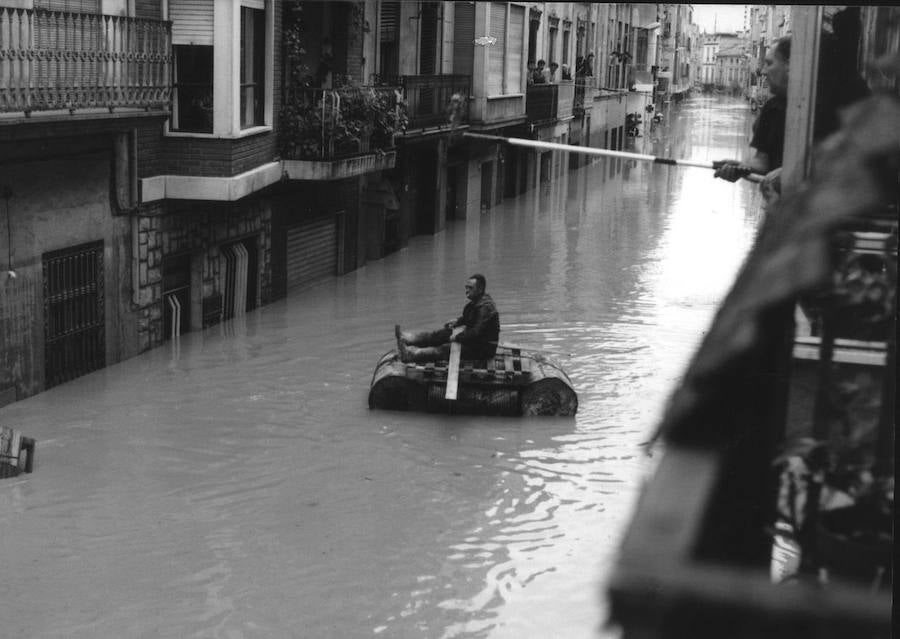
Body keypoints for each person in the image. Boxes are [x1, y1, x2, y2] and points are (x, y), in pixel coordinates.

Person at [714, 36, 790, 183]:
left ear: (789, 64)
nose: (763, 71)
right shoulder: (771, 109)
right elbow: (762, 163)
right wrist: (740, 167)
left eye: (769, 64)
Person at [395, 274, 500, 364]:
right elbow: (471, 319)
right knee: (441, 334)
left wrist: (457, 337)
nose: (467, 291)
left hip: (483, 349)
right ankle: (408, 339)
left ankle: (411, 355)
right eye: (466, 287)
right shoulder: (478, 302)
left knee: (445, 349)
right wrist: (458, 321)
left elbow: (476, 331)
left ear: (480, 289)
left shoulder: (486, 308)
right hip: (475, 341)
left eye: (470, 288)